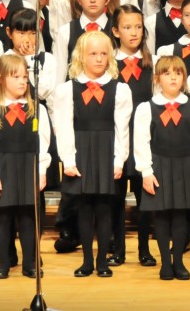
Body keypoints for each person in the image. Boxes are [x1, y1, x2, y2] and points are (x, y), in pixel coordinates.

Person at [53, 31, 132, 278]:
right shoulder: (68, 89)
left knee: (105, 207)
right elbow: (64, 126)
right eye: (93, 54)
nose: (99, 59)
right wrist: (68, 158)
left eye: (103, 53)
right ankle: (87, 260)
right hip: (81, 150)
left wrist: (119, 159)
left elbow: (122, 129)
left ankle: (102, 261)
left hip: (107, 149)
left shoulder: (120, 90)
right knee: (84, 207)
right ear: (81, 57)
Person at [132, 55, 190, 280]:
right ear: (157, 78)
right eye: (167, 73)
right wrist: (146, 170)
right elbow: (141, 140)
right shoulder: (147, 108)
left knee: (181, 215)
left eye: (178, 73)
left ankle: (178, 261)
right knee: (162, 216)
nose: (173, 77)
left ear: (184, 78)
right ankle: (165, 262)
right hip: (159, 166)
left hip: (185, 165)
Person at [0, 55, 51, 279]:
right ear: (0, 78)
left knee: (29, 218)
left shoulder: (37, 109)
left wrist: (41, 170)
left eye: (25, 77)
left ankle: (30, 263)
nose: (22, 81)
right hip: (4, 167)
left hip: (29, 165)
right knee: (3, 218)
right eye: (16, 76)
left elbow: (43, 142)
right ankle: (4, 263)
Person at [107, 4, 155, 267]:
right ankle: (118, 250)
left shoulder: (153, 62)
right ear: (115, 31)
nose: (133, 32)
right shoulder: (109, 63)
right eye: (127, 27)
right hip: (118, 140)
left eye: (138, 27)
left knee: (145, 197)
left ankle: (145, 249)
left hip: (145, 140)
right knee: (115, 198)